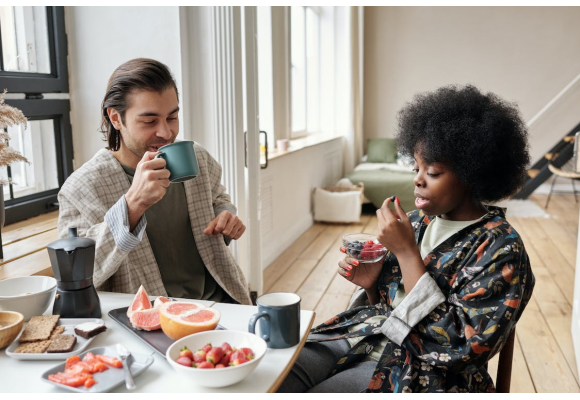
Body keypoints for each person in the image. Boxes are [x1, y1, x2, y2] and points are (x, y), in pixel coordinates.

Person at [278, 84, 535, 392]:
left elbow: (462, 347)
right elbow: (390, 307)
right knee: (274, 375)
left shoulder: (501, 248)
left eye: (434, 172)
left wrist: (407, 254)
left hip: (420, 371)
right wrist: (372, 285)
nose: (417, 179)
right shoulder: (415, 221)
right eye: (416, 167)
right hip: (366, 336)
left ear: (472, 173)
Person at [57, 58, 251, 305]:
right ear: (116, 118)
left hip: (223, 303)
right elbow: (74, 275)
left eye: (172, 117)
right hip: (148, 320)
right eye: (149, 121)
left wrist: (225, 216)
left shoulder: (197, 158)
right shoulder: (81, 188)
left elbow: (218, 199)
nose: (166, 133)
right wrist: (132, 205)